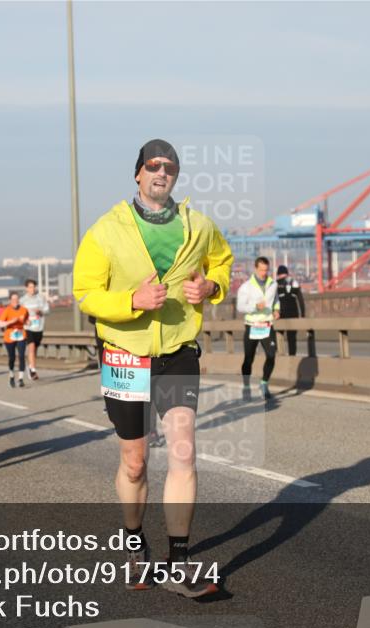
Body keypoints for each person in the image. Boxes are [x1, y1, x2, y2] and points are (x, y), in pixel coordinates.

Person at [73, 138, 233, 597]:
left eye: (171, 167)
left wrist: (212, 287)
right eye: (154, 165)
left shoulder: (199, 225)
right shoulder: (106, 230)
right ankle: (134, 543)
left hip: (178, 352)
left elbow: (222, 262)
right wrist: (132, 301)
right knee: (135, 461)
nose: (162, 172)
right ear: (138, 173)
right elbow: (85, 293)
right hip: (124, 353)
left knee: (183, 452)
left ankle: (179, 562)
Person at [236, 256, 280, 401]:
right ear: (255, 269)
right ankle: (246, 386)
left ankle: (264, 384)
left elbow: (276, 298)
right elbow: (240, 306)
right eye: (261, 270)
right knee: (249, 359)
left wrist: (276, 309)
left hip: (267, 324)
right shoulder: (246, 287)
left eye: (266, 270)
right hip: (252, 325)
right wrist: (255, 307)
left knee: (271, 355)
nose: (264, 273)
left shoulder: (273, 284)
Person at [275, 265, 310, 356]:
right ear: (287, 273)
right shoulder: (294, 283)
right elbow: (300, 300)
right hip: (293, 313)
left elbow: (271, 300)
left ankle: (278, 357)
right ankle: (292, 357)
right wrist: (302, 314)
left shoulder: (275, 284)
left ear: (278, 274)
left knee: (278, 336)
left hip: (280, 314)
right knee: (292, 338)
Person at [0, 292, 29, 387]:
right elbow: (0, 324)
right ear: (10, 300)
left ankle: (21, 379)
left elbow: (27, 320)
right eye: (13, 299)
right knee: (12, 357)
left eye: (17, 299)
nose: (15, 301)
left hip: (21, 335)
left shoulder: (24, 310)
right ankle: (11, 375)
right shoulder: (7, 310)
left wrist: (28, 322)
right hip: (9, 336)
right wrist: (11, 321)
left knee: (21, 356)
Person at [20, 278, 50, 380]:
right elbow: (19, 314)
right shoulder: (22, 300)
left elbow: (47, 310)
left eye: (33, 287)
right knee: (31, 347)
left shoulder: (41, 298)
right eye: (30, 287)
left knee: (34, 349)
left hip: (38, 327)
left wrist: (41, 311)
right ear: (26, 288)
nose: (32, 289)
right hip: (27, 327)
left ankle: (30, 366)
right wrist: (25, 320)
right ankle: (33, 370)